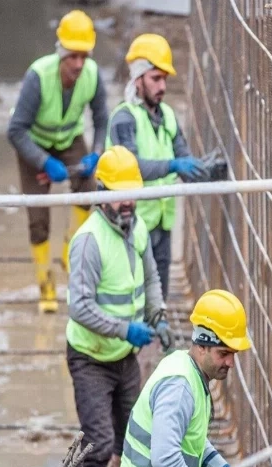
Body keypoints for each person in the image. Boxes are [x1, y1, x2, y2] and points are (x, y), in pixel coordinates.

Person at [66, 145, 168, 467]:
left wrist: (159, 315)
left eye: (132, 196)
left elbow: (151, 276)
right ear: (102, 195)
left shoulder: (135, 226)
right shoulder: (89, 241)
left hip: (123, 356)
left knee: (130, 438)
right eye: (120, 197)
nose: (128, 203)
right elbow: (79, 307)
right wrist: (126, 329)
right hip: (90, 358)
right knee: (97, 442)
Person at [7, 9, 109, 314]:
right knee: (38, 218)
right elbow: (15, 130)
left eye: (83, 56)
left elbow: (102, 118)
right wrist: (42, 162)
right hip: (34, 143)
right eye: (72, 57)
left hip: (69, 140)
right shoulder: (38, 77)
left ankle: (70, 249)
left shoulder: (92, 75)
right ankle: (45, 284)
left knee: (88, 188)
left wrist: (97, 152)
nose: (78, 64)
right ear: (61, 53)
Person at [114, 289, 251, 467]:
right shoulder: (180, 388)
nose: (230, 363)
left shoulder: (187, 368)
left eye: (233, 354)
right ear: (202, 346)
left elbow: (188, 437)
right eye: (223, 354)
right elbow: (165, 460)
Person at [106, 33, 205, 301]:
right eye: (155, 78)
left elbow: (184, 158)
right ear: (138, 79)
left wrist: (205, 169)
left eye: (164, 78)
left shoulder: (169, 116)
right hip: (129, 221)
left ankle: (156, 334)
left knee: (157, 293)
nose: (162, 86)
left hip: (161, 221)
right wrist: (174, 164)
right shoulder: (124, 118)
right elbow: (133, 167)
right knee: (132, 291)